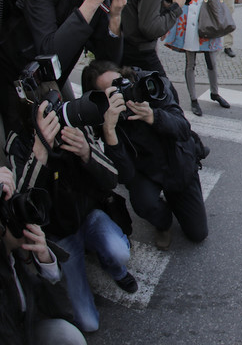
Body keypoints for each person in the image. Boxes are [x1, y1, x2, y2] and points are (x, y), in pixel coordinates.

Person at [5, 99, 135, 333]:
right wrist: (40, 152)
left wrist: (87, 153)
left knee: (119, 252)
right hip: (58, 233)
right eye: (45, 113)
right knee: (88, 323)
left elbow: (112, 179)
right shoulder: (20, 142)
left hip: (89, 216)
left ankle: (116, 270)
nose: (53, 119)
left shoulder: (73, 122)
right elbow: (23, 208)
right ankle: (82, 272)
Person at [82, 60, 208, 252]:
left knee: (198, 234)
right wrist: (110, 130)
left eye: (121, 83)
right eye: (112, 90)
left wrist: (154, 116)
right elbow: (125, 176)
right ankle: (163, 222)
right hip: (145, 169)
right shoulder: (107, 118)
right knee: (144, 202)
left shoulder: (150, 84)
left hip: (176, 160)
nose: (122, 91)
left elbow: (183, 128)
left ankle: (177, 198)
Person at [0, 166, 85, 345]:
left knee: (69, 336)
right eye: (10, 211)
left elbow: (61, 310)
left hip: (25, 327)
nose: (27, 220)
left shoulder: (17, 257)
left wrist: (45, 261)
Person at [162, 0, 230, 116]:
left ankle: (215, 92)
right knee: (190, 60)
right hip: (188, 13)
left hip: (205, 13)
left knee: (211, 58)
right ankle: (193, 98)